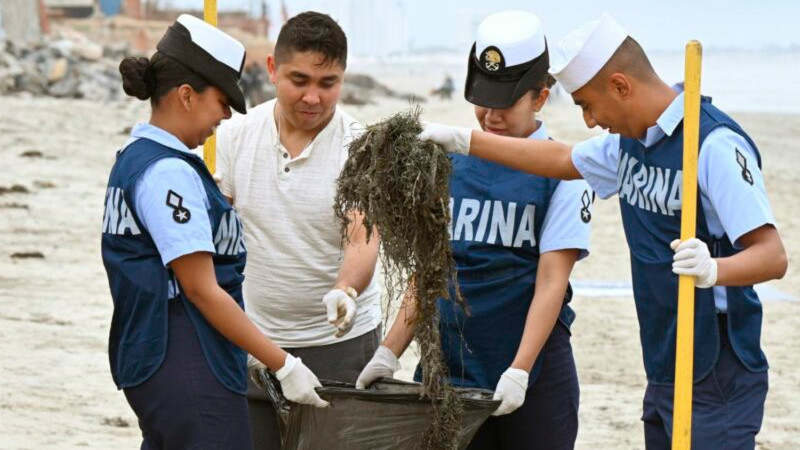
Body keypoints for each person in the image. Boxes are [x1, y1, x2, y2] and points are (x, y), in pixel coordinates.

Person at [419, 13, 787, 450]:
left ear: (620, 86)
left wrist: (714, 269)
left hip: (717, 358)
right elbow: (560, 161)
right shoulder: (629, 143)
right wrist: (463, 140)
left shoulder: (712, 145)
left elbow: (773, 256)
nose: (590, 121)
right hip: (665, 354)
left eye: (588, 106)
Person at [356, 11, 592, 450]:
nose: (490, 115)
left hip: (533, 368)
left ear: (540, 98)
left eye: (505, 103)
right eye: (483, 100)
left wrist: (520, 369)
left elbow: (551, 281)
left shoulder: (563, 172)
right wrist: (389, 351)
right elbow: (428, 272)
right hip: (449, 362)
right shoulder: (447, 160)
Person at [101, 14, 327, 450]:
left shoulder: (137, 156)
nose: (225, 115)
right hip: (184, 355)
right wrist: (282, 364)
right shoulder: (168, 173)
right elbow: (202, 289)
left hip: (156, 352)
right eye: (222, 100)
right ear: (186, 95)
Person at [214, 11, 382, 449]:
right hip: (254, 339)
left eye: (328, 84)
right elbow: (216, 236)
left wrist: (345, 289)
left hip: (341, 345)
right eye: (299, 79)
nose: (312, 97)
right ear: (272, 69)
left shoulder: (360, 147)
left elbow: (363, 234)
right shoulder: (233, 136)